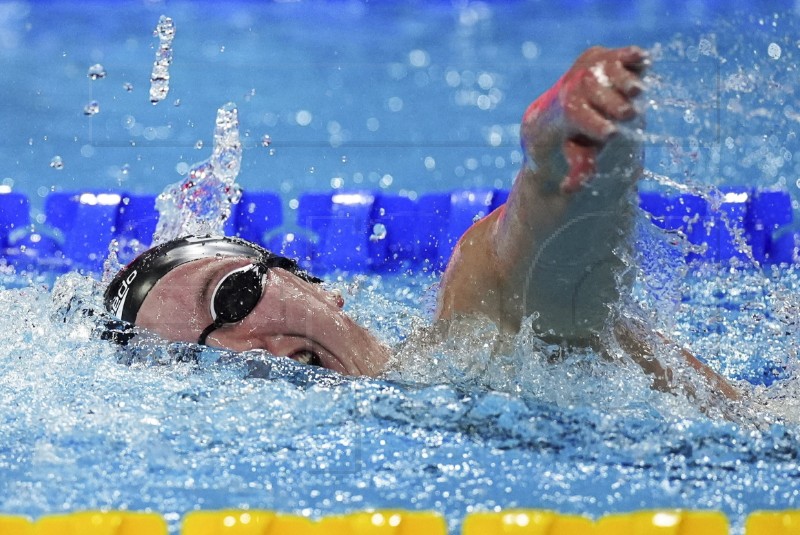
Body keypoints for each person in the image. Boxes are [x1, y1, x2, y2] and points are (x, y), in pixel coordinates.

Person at [104, 46, 740, 402]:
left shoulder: (465, 345)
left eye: (232, 295)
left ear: (318, 285)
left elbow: (543, 269)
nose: (240, 353)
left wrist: (564, 162)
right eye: (193, 362)